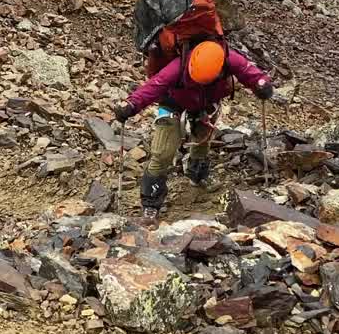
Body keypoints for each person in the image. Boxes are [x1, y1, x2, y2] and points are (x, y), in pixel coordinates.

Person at [114, 40, 274, 222]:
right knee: (163, 152)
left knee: (202, 140)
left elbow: (249, 73)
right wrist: (131, 105)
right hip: (173, 101)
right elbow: (154, 86)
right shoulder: (176, 66)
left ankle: (198, 175)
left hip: (206, 103)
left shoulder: (229, 58)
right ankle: (151, 204)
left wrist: (262, 84)